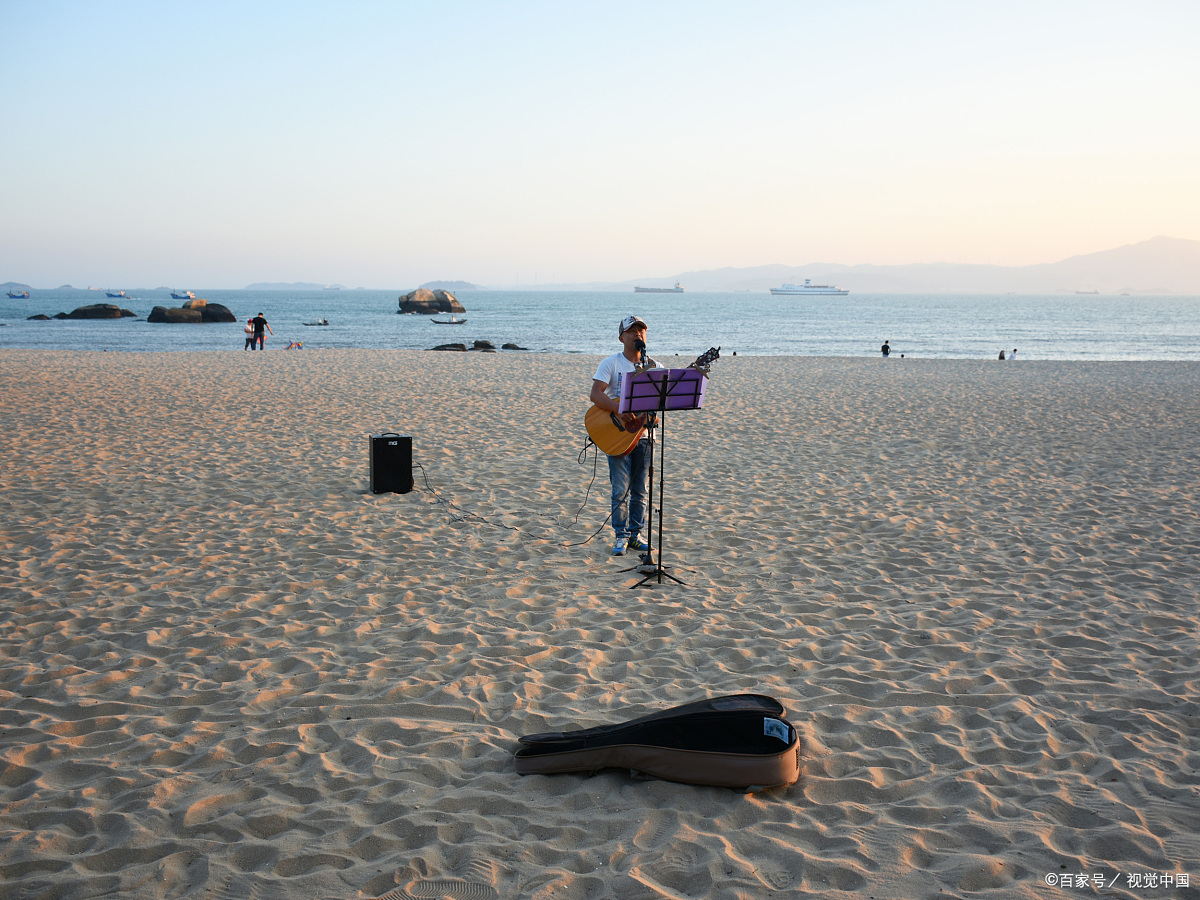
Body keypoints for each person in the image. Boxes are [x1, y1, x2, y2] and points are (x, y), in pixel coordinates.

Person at [591, 315, 657, 557]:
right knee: (620, 489)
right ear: (621, 337)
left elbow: (660, 405)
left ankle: (635, 535)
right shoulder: (611, 363)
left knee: (641, 489)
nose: (638, 334)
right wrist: (619, 409)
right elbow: (595, 395)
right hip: (616, 434)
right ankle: (620, 536)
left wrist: (654, 416)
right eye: (632, 331)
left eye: (641, 330)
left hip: (644, 436)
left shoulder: (654, 367)